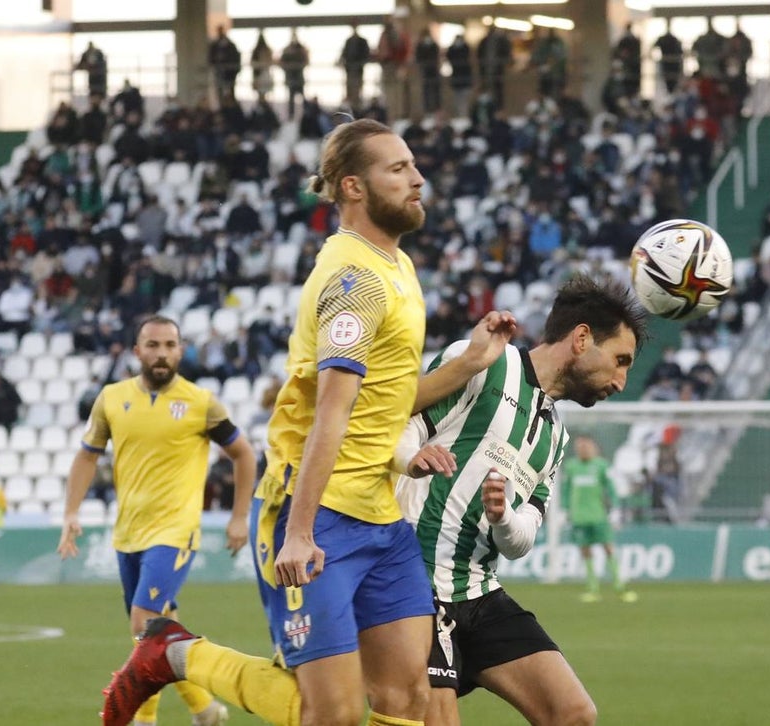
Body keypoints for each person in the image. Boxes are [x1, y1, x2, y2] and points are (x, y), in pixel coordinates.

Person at [100, 119, 516, 726]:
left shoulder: (396, 265)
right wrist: (298, 532)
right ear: (353, 187)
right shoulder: (355, 281)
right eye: (398, 168)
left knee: (408, 697)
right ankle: (173, 654)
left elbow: (385, 402)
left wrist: (470, 363)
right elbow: (332, 410)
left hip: (380, 515)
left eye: (412, 165)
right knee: (333, 715)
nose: (418, 178)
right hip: (317, 516)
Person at [396, 276, 645, 724]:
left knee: (573, 714)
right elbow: (402, 420)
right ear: (581, 338)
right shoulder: (486, 362)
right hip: (415, 580)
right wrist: (410, 457)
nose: (621, 381)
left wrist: (503, 518)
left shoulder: (557, 437)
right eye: (619, 360)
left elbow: (522, 538)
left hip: (477, 590)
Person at [59, 315, 256, 726]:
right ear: (137, 351)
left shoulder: (201, 403)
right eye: (153, 345)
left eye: (170, 345)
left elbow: (244, 454)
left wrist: (240, 517)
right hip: (128, 532)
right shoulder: (111, 398)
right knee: (156, 629)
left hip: (175, 530)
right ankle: (205, 709)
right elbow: (87, 455)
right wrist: (71, 512)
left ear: (181, 350)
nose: (162, 353)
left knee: (145, 622)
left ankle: (143, 719)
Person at [561, 434, 638, 605]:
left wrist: (615, 508)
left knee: (608, 548)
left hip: (598, 516)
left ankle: (619, 587)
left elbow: (610, 488)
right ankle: (593, 589)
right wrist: (565, 509)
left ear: (593, 447)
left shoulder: (602, 466)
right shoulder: (571, 467)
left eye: (586, 446)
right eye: (580, 447)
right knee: (585, 551)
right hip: (579, 518)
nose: (583, 449)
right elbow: (566, 490)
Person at [279, 30, 310, 121]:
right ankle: (292, 116)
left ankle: (305, 115)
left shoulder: (299, 49)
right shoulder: (288, 50)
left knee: (300, 98)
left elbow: (305, 61)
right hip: (292, 78)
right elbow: (282, 63)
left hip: (298, 77)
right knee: (292, 99)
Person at [340, 24, 371, 110]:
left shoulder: (362, 41)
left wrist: (360, 63)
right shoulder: (348, 41)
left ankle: (357, 107)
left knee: (357, 88)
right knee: (350, 88)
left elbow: (366, 55)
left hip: (358, 70)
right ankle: (352, 107)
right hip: (350, 70)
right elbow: (344, 54)